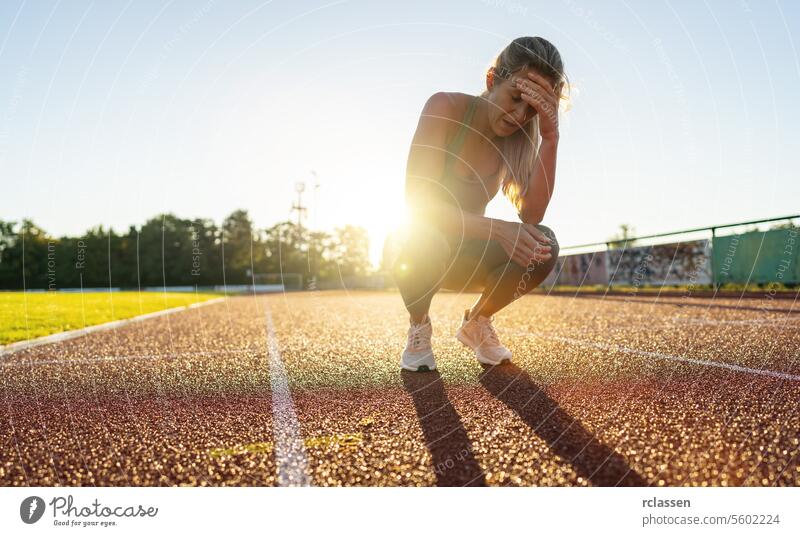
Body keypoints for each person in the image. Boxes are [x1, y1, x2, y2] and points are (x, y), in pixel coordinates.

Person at [389, 36, 568, 372]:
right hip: (420, 251)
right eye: (516, 99)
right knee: (422, 238)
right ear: (492, 80)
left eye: (532, 109)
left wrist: (550, 137)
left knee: (543, 243)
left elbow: (532, 214)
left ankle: (478, 321)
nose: (519, 115)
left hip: (467, 257)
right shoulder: (444, 107)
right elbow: (418, 206)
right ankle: (419, 324)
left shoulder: (521, 136)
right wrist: (498, 229)